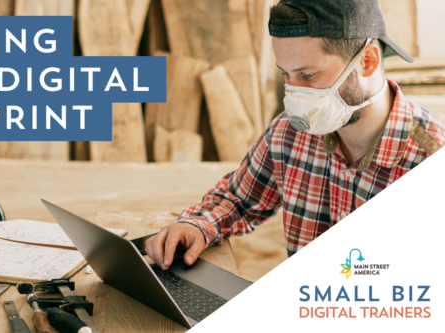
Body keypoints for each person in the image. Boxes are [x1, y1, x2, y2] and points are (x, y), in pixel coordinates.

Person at [145, 0, 445, 270]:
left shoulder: (431, 161)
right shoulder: (290, 133)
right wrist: (197, 225)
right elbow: (239, 200)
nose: (296, 94)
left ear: (367, 61)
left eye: (309, 75)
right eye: (286, 75)